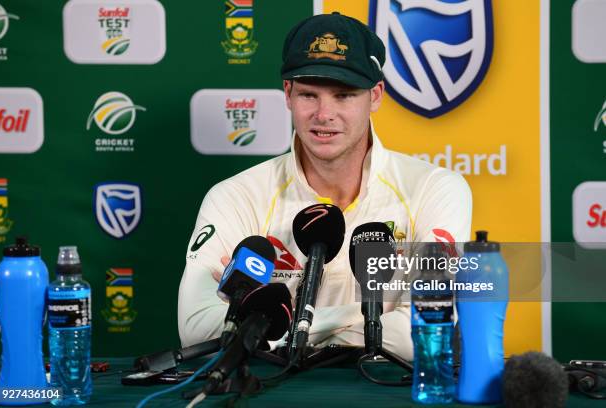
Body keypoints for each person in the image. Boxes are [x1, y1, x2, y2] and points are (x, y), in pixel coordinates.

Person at [178, 12, 472, 360]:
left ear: (375, 96)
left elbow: (427, 328)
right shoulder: (235, 196)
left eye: (344, 95)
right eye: (308, 95)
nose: (324, 113)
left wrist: (276, 323)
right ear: (287, 93)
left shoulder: (435, 189)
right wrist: (371, 322)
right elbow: (196, 327)